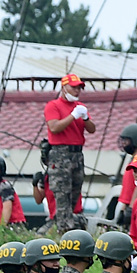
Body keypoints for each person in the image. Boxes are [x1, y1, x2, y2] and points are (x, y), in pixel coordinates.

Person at [44, 73, 95, 234]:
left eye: (79, 87)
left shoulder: (79, 106)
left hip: (77, 154)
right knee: (62, 192)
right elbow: (54, 127)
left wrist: (85, 117)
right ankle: (63, 229)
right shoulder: (53, 106)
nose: (77, 90)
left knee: (75, 191)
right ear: (64, 87)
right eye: (74, 87)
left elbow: (92, 129)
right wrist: (72, 116)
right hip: (61, 153)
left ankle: (69, 225)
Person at [32, 146, 83, 234]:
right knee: (39, 236)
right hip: (55, 218)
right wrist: (35, 185)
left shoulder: (67, 174)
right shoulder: (47, 177)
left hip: (73, 216)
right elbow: (38, 200)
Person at [115, 123, 137, 228]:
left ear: (136, 140)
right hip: (127, 205)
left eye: (126, 140)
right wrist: (122, 208)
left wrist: (131, 208)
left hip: (135, 206)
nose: (124, 143)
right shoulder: (133, 159)